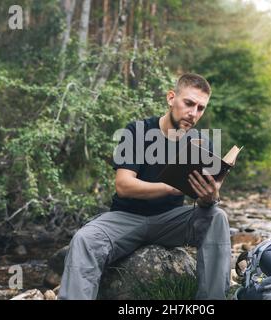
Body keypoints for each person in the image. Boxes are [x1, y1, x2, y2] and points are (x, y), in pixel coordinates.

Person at [58, 73, 231, 300]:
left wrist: (209, 197)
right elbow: (124, 185)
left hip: (171, 220)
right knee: (84, 239)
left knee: (217, 216)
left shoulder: (201, 144)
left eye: (200, 108)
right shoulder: (137, 131)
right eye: (189, 103)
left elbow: (202, 203)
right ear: (171, 98)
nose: (193, 113)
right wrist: (171, 188)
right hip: (126, 217)